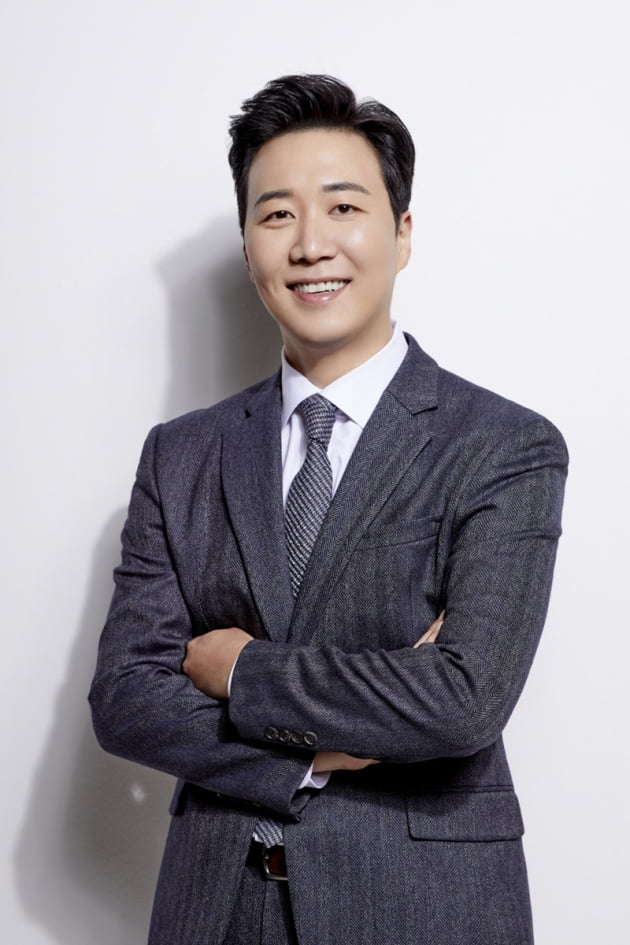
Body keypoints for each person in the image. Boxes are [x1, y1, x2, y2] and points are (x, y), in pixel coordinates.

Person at [89, 74, 568, 945]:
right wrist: (315, 749)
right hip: (217, 909)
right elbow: (126, 697)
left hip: (422, 909)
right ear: (247, 248)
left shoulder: (504, 445)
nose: (311, 244)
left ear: (402, 232)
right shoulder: (181, 453)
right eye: (277, 215)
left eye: (343, 207)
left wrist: (239, 669)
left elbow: (462, 699)